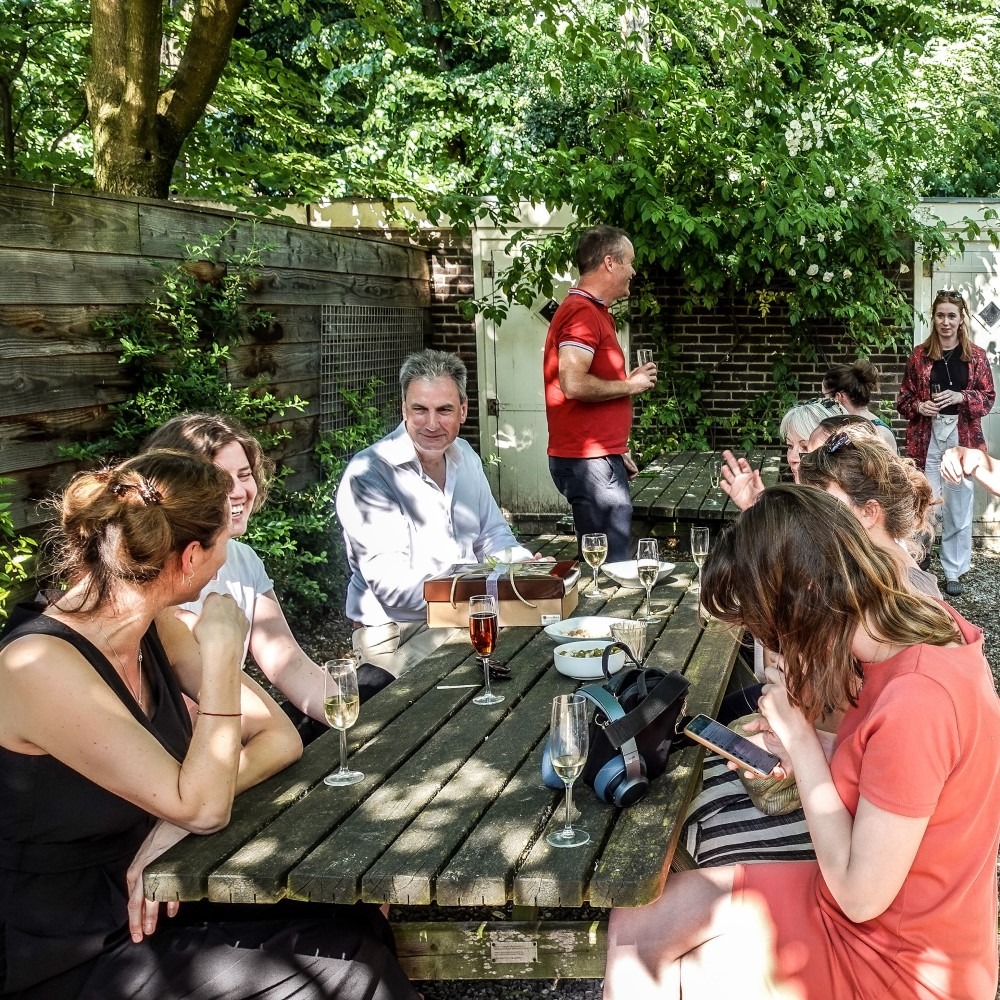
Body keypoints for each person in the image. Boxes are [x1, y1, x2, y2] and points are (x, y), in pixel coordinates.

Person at [0, 451, 418, 999]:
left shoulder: (155, 626)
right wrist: (222, 654)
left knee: (351, 919)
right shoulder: (37, 664)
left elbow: (279, 738)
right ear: (191, 556)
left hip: (162, 881)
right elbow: (204, 805)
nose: (226, 562)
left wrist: (169, 824)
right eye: (223, 545)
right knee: (350, 973)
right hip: (68, 945)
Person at [605, 485, 1000, 1000]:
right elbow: (915, 777)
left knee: (662, 970)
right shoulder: (923, 632)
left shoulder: (916, 701)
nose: (768, 647)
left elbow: (860, 898)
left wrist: (803, 743)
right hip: (881, 910)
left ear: (806, 600)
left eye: (762, 627)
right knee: (635, 925)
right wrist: (816, 748)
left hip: (894, 960)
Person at [144, 413, 346, 740]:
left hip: (240, 727)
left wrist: (352, 721)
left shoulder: (242, 558)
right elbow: (176, 706)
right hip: (191, 744)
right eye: (222, 480)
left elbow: (286, 660)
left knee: (375, 682)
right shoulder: (153, 573)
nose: (239, 492)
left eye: (245, 475)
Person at [336, 349, 535, 676]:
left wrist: (521, 566)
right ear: (404, 409)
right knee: (498, 677)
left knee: (539, 650)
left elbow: (493, 536)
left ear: (463, 411)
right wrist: (488, 585)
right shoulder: (370, 474)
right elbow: (394, 587)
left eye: (444, 410)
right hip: (393, 635)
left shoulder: (466, 456)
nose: (431, 424)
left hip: (466, 615)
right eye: (419, 410)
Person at [543, 225, 657, 561]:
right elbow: (573, 383)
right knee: (607, 565)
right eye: (629, 262)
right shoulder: (581, 312)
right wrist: (630, 385)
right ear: (610, 262)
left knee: (604, 557)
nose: (633, 271)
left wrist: (615, 450)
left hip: (596, 458)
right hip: (587, 462)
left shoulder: (593, 311)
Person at [896, 288, 995, 597]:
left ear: (961, 319)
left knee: (959, 507)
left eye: (952, 315)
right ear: (934, 318)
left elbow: (988, 398)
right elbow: (903, 399)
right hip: (927, 437)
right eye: (941, 315)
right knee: (923, 504)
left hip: (962, 437)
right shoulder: (919, 355)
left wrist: (961, 396)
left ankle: (954, 570)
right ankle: (918, 561)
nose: (946, 321)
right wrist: (918, 407)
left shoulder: (976, 357)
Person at [720, 397, 844, 510]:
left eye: (805, 447)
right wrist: (753, 509)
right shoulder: (799, 503)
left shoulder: (845, 508)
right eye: (790, 446)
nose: (792, 458)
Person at [822, 359, 898, 451]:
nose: (822, 401)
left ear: (838, 397)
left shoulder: (879, 434)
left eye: (825, 396)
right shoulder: (837, 428)